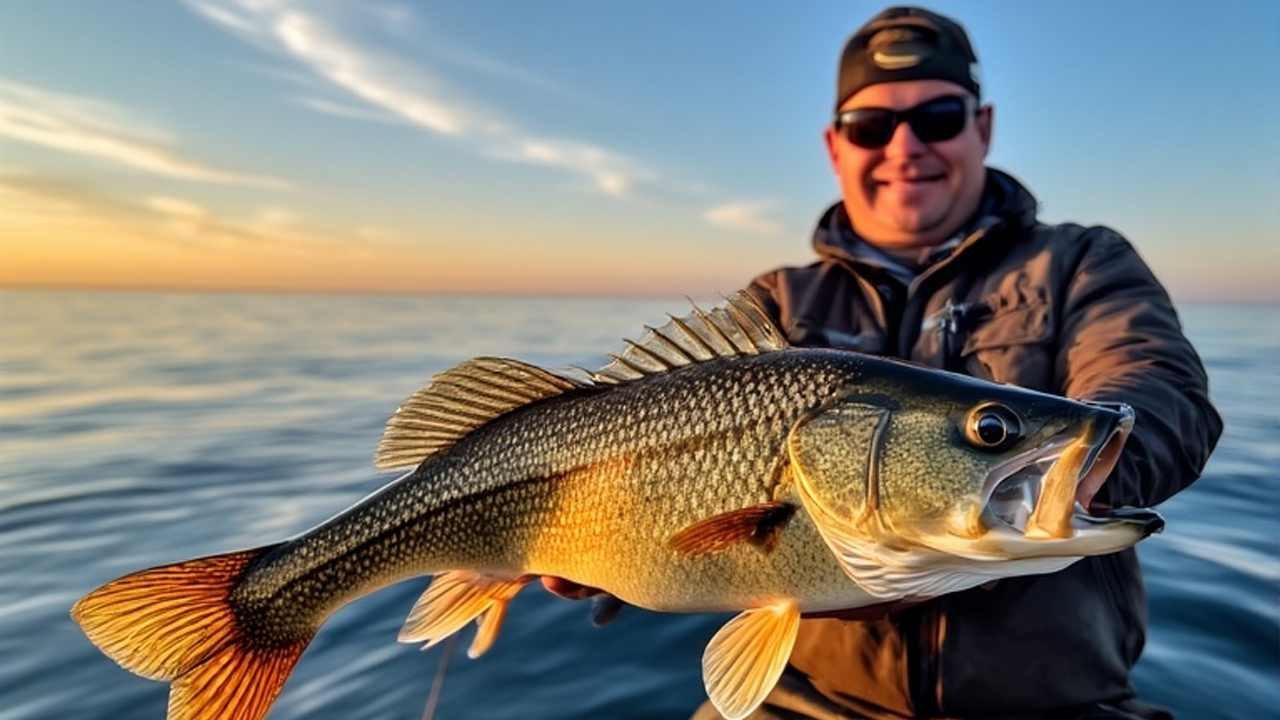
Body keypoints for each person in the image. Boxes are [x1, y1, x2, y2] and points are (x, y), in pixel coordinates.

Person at [552, 6, 1223, 718]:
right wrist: (605, 548)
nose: (905, 148)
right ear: (835, 147)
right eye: (871, 127)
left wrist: (1089, 479)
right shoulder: (776, 304)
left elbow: (1158, 384)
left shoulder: (1080, 263)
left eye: (937, 117)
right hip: (805, 698)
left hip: (1056, 703)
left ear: (983, 127)